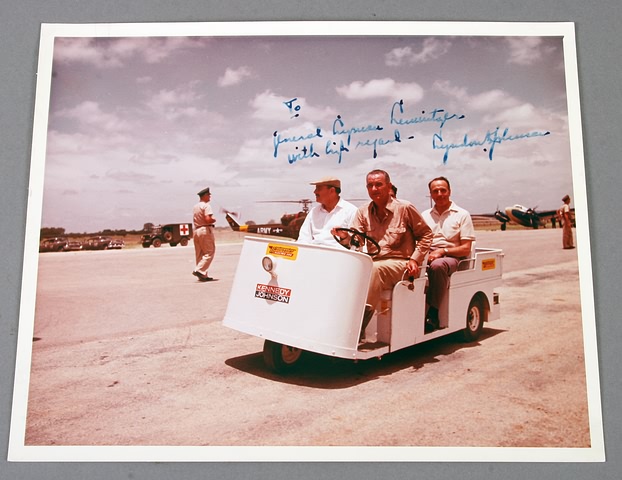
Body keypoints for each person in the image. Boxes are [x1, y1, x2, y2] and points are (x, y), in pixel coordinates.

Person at [335, 169, 432, 341]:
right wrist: (344, 238)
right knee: (346, 271)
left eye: (379, 184)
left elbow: (426, 235)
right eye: (370, 185)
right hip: (374, 263)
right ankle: (337, 320)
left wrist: (415, 259)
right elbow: (356, 241)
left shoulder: (405, 208)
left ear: (388, 186)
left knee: (373, 270)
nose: (374, 189)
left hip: (401, 264)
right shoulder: (363, 212)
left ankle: (357, 329)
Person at [421, 177, 475, 331]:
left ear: (449, 191)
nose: (439, 194)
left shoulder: (462, 214)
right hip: (428, 254)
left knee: (437, 266)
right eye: (435, 191)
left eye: (443, 190)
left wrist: (442, 251)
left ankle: (433, 312)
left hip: (452, 257)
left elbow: (465, 248)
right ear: (431, 194)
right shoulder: (425, 215)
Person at [297, 176, 358, 247]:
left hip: (338, 256)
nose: (315, 192)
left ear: (332, 190)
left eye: (318, 188)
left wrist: (345, 237)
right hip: (314, 255)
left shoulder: (351, 211)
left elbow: (355, 245)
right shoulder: (313, 212)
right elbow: (303, 239)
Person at [192, 187, 216, 282]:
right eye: (209, 195)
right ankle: (199, 270)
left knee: (200, 253)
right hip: (205, 230)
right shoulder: (206, 206)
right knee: (209, 252)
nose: (210, 196)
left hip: (196, 230)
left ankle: (203, 275)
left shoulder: (195, 206)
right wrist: (213, 220)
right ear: (205, 196)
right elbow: (207, 219)